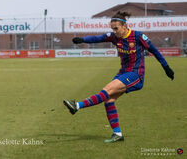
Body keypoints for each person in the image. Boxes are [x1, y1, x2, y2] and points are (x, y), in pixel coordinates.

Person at [63, 11, 174, 143]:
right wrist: (82, 40)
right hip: (123, 73)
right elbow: (97, 38)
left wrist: (166, 67)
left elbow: (154, 51)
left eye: (116, 28)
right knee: (108, 100)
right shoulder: (114, 37)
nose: (114, 31)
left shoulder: (138, 36)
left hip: (135, 74)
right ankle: (117, 134)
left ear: (125, 26)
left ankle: (77, 105)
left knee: (107, 90)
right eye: (112, 29)